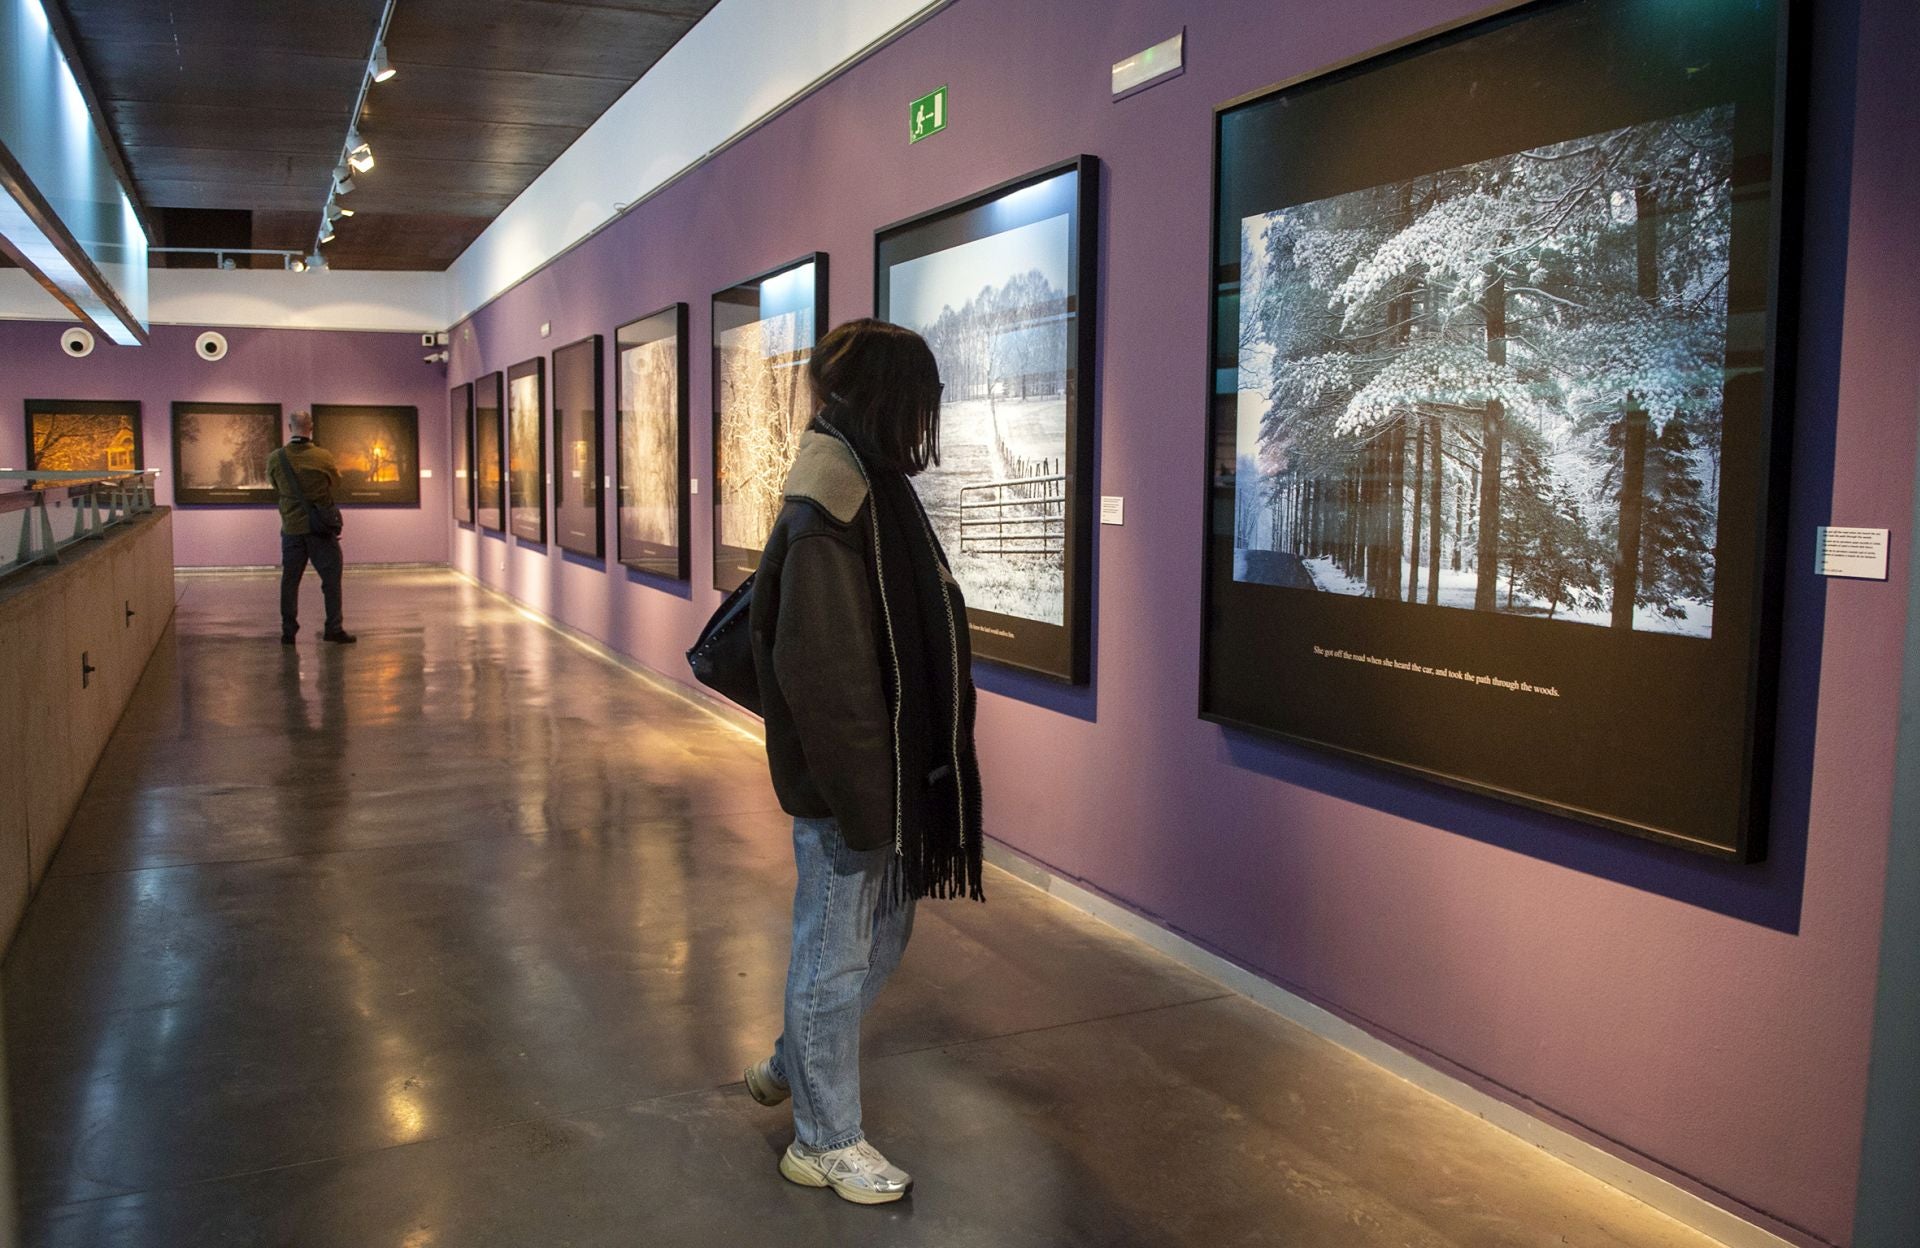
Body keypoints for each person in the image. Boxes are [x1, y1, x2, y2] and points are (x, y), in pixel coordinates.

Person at [744, 319, 984, 1204]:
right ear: (888, 398)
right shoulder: (830, 507)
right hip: (854, 792)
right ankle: (823, 1139)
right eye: (919, 399)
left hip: (883, 786)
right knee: (837, 955)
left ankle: (790, 1059)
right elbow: (827, 680)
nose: (927, 417)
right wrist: (865, 811)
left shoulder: (867, 483)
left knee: (876, 940)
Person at [269, 411, 354, 645]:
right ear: (311, 427)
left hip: (292, 528)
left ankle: (288, 631)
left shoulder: (276, 458)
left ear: (289, 427)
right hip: (320, 528)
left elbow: (273, 483)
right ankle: (333, 628)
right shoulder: (322, 457)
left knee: (290, 580)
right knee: (331, 579)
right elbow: (336, 482)